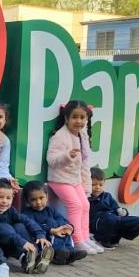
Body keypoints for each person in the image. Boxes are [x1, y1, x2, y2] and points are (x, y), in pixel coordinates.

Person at [45, 100, 103, 255]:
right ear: (66, 118)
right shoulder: (60, 136)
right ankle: (77, 241)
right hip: (59, 179)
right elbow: (51, 160)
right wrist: (66, 156)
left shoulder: (83, 135)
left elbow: (84, 164)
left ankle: (86, 238)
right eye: (74, 117)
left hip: (75, 180)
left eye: (82, 118)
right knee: (76, 205)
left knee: (85, 204)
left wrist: (87, 186)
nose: (79, 121)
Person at [0, 178, 53, 274]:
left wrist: (40, 234)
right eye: (0, 197)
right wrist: (22, 242)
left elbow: (27, 220)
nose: (4, 201)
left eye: (8, 198)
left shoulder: (11, 210)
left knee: (20, 226)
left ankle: (35, 254)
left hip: (13, 242)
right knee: (7, 228)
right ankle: (29, 256)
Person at [21, 181, 87, 265]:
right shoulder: (27, 214)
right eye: (33, 200)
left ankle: (70, 254)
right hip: (45, 239)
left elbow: (61, 219)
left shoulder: (50, 210)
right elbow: (34, 227)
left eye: (41, 198)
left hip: (58, 233)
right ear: (27, 201)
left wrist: (68, 227)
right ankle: (57, 255)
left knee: (66, 237)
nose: (38, 202)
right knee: (54, 240)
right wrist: (51, 230)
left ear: (47, 197)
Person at [89, 167, 139, 248]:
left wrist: (123, 211)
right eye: (93, 184)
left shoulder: (107, 196)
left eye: (101, 185)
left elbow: (116, 208)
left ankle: (116, 236)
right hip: (99, 224)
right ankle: (101, 239)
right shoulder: (85, 197)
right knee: (110, 218)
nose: (97, 187)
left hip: (114, 220)